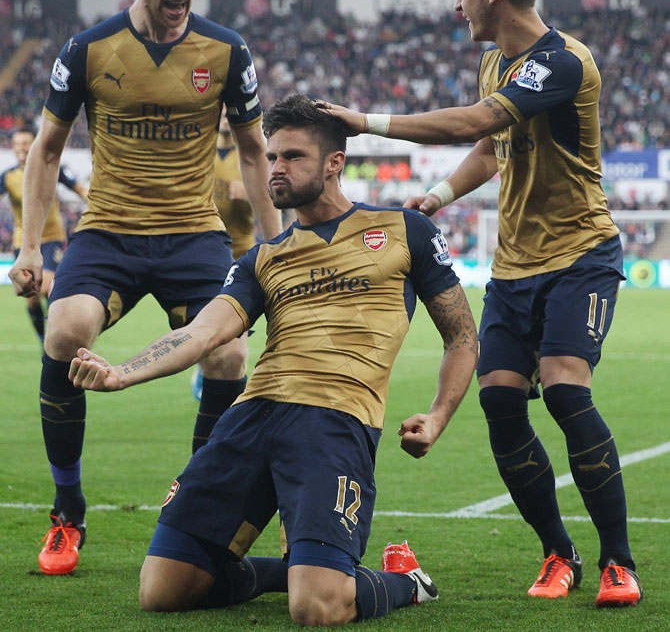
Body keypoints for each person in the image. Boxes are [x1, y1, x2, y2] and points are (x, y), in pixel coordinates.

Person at [68, 94, 478, 626]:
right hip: (252, 416)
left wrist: (439, 415)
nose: (275, 169)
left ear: (335, 163)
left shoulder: (406, 231)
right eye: (272, 157)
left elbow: (462, 337)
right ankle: (292, 572)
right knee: (163, 590)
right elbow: (202, 332)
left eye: (292, 157)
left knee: (317, 609)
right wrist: (122, 372)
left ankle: (405, 582)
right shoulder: (262, 257)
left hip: (333, 422)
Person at [321, 0, 642, 609]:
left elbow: (477, 119)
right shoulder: (496, 63)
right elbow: (495, 143)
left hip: (579, 256)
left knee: (562, 389)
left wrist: (365, 120)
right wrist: (437, 196)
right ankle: (559, 552)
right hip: (515, 265)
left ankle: (619, 560)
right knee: (499, 398)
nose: (456, 3)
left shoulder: (562, 60)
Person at [8, 0, 281, 576]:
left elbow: (252, 151)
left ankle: (193, 495)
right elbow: (46, 149)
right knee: (65, 331)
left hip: (194, 235)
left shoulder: (226, 51)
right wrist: (29, 247)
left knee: (228, 353)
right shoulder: (89, 48)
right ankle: (68, 510)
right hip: (111, 230)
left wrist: (278, 249)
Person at [190, 108, 255, 457]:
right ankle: (210, 376)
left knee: (235, 334)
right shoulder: (199, 148)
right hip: (204, 249)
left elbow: (274, 194)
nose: (228, 118)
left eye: (233, 112)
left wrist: (255, 192)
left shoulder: (253, 150)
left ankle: (224, 382)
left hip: (242, 251)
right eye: (223, 112)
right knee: (215, 328)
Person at [1, 126, 87, 343]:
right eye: (17, 143)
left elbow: (80, 189)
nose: (21, 147)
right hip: (23, 241)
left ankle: (55, 336)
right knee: (31, 298)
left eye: (26, 143)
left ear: (35, 144)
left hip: (51, 238)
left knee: (47, 286)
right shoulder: (8, 177)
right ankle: (44, 340)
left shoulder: (52, 168)